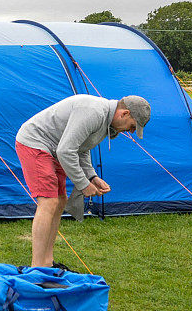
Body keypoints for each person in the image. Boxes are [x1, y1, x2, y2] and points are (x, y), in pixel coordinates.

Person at [15, 94, 151, 267]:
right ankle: (38, 268)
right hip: (34, 142)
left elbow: (81, 148)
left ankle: (47, 263)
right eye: (132, 126)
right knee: (48, 202)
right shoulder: (94, 112)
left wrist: (91, 177)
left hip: (54, 149)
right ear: (124, 114)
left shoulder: (106, 122)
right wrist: (83, 184)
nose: (130, 132)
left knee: (60, 201)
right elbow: (66, 151)